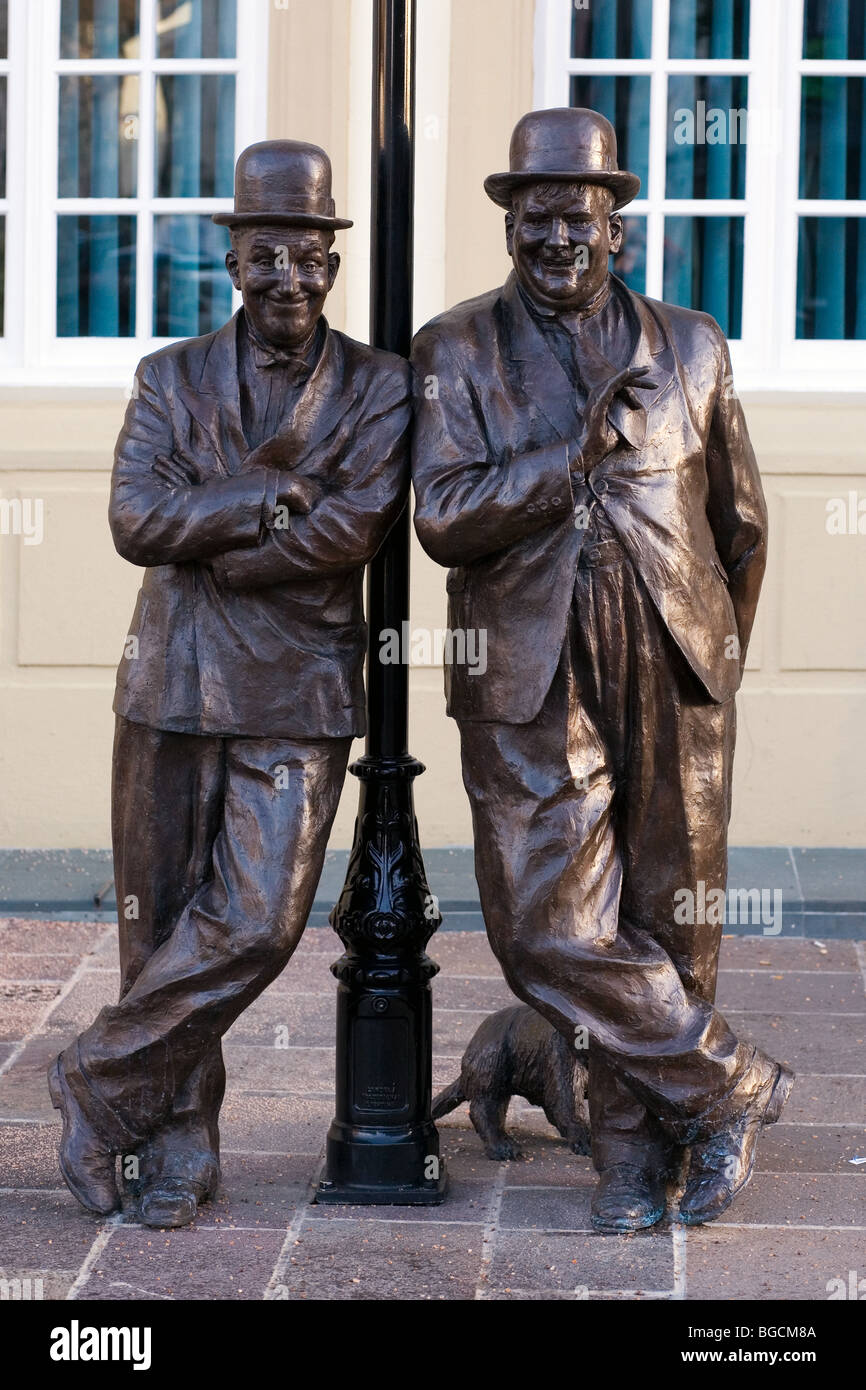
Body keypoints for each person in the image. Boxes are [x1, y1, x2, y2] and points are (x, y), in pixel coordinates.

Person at [410, 108, 792, 1230]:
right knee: (548, 926)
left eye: (576, 218)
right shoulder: (454, 352)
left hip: (670, 658)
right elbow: (439, 515)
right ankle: (728, 1083)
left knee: (672, 919)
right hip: (528, 665)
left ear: (613, 226)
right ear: (507, 224)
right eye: (535, 220)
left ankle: (634, 1160)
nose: (556, 241)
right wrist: (558, 460)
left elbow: (740, 524)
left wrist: (707, 653)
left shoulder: (690, 344)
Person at [49, 140, 409, 1229]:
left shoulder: (381, 385)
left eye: (305, 254)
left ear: (331, 264)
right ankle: (179, 1137)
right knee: (159, 931)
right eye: (264, 254)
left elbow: (358, 524)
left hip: (297, 692)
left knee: (253, 920)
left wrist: (222, 535)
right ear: (233, 261)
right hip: (167, 681)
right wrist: (269, 495)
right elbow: (133, 520)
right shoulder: (169, 376)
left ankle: (95, 1076)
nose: (286, 276)